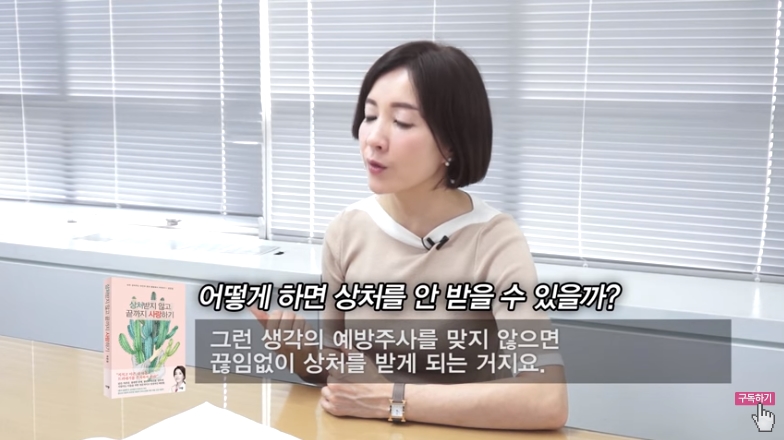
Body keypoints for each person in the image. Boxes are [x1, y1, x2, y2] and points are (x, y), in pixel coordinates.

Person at [252, 40, 568, 431]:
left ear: (450, 141)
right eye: (370, 116)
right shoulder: (347, 230)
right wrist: (300, 353)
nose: (374, 138)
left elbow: (547, 400)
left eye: (401, 122)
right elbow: (342, 373)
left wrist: (390, 398)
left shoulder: (494, 240)